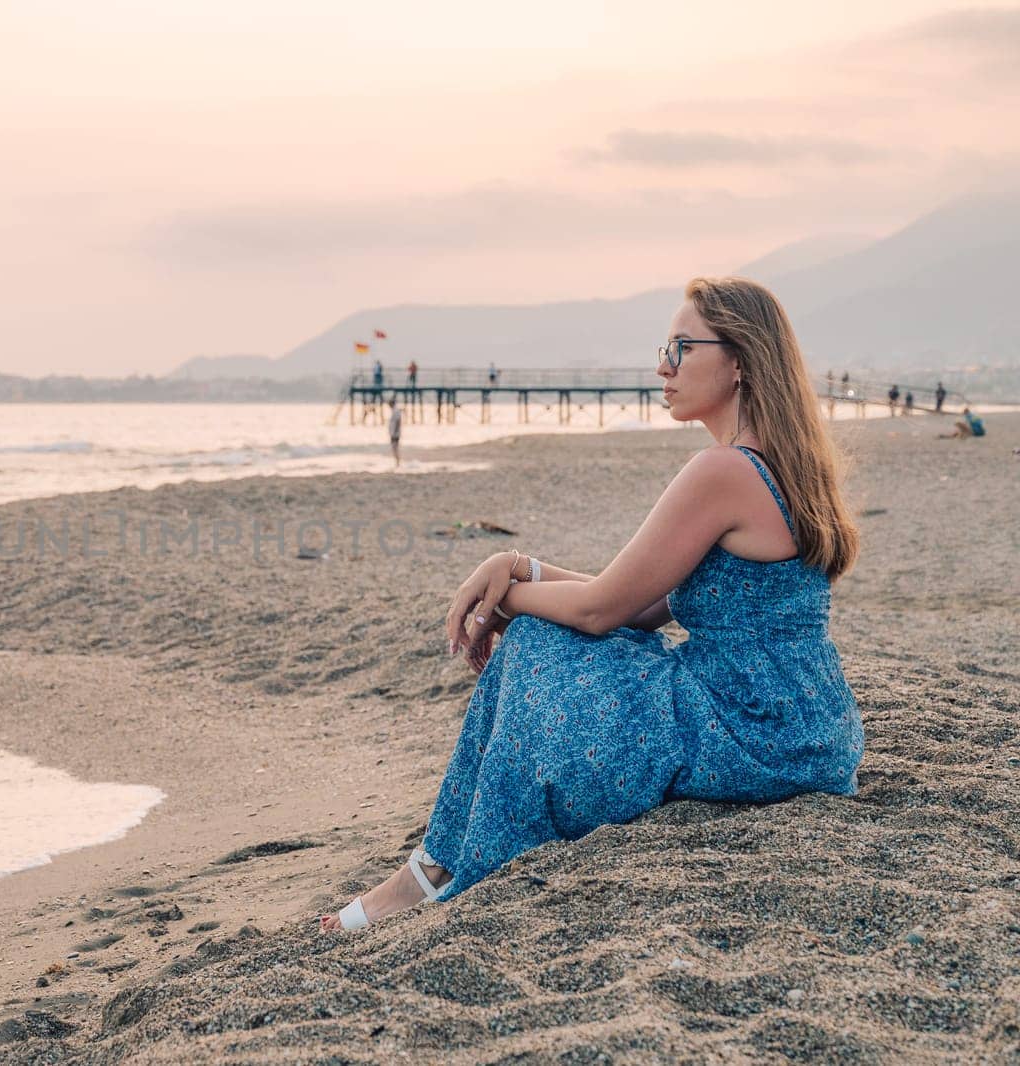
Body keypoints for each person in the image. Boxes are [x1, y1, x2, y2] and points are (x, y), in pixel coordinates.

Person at [321, 276, 862, 932]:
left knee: (535, 641)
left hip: (750, 725)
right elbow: (636, 603)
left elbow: (601, 611)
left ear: (740, 359)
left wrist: (508, 599)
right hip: (803, 723)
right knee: (545, 632)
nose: (662, 366)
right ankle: (432, 869)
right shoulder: (775, 465)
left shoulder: (723, 473)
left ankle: (433, 872)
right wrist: (519, 569)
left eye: (681, 347)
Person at [387, 397, 403, 468]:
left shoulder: (396, 411)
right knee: (395, 448)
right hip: (395, 433)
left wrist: (394, 433)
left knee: (395, 448)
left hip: (395, 434)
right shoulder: (395, 411)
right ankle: (397, 463)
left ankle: (398, 463)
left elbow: (397, 422)